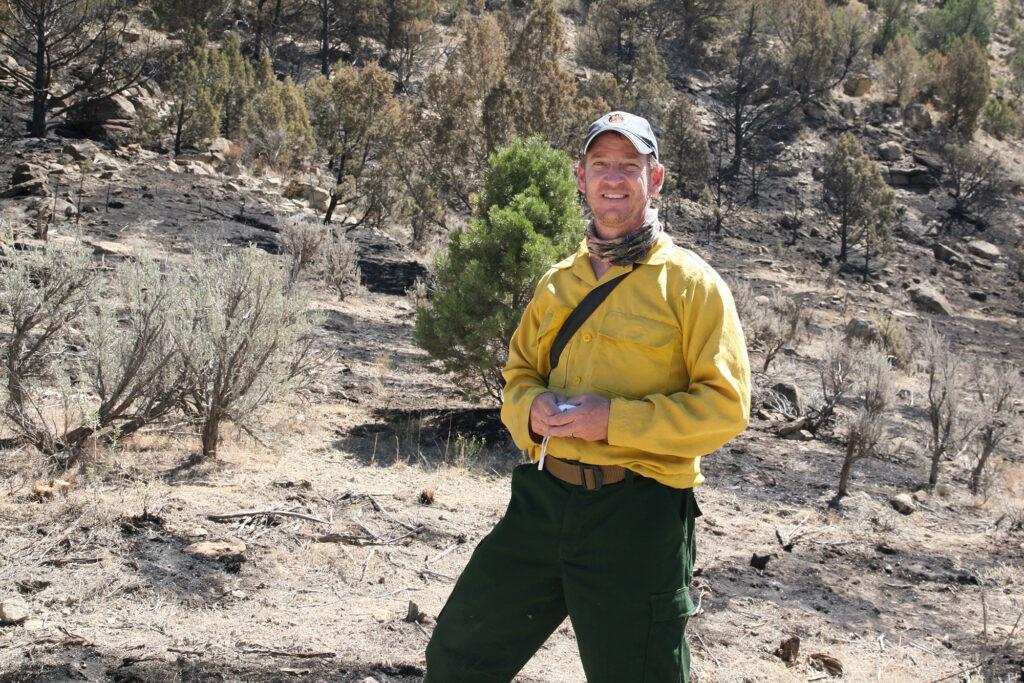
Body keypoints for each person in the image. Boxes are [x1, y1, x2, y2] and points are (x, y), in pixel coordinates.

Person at [424, 111, 751, 683]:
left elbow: (725, 408)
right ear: (581, 176)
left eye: (630, 165)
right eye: (601, 164)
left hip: (639, 515)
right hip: (543, 505)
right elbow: (519, 374)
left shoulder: (692, 286)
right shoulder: (558, 282)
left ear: (656, 179)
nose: (614, 178)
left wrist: (614, 421)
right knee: (459, 657)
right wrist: (531, 409)